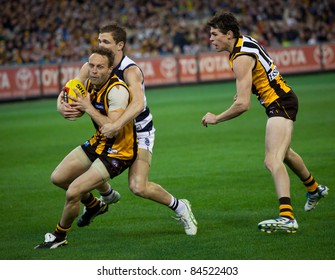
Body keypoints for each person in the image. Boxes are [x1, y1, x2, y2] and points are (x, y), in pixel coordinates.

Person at [57, 23, 197, 235]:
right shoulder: (92, 65)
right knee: (66, 176)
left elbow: (138, 103)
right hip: (108, 130)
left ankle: (181, 207)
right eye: (99, 40)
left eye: (106, 42)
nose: (100, 45)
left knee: (138, 187)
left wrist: (116, 125)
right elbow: (70, 90)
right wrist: (62, 108)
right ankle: (103, 197)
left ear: (120, 45)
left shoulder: (130, 70)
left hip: (138, 131)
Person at [201, 11, 329, 233]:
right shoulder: (244, 42)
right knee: (285, 153)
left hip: (280, 103)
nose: (210, 39)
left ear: (229, 34)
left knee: (272, 160)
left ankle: (287, 216)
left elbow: (242, 105)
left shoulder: (240, 57)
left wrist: (216, 118)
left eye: (214, 34)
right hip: (281, 99)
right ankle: (314, 189)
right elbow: (262, 71)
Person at [35, 47, 137, 249]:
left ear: (110, 70)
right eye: (91, 66)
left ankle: (59, 236)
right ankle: (94, 205)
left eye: (100, 67)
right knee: (58, 178)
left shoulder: (117, 91)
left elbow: (112, 130)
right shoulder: (89, 82)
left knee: (73, 191)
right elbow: (69, 90)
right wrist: (63, 107)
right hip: (98, 142)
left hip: (118, 151)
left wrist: (87, 107)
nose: (94, 70)